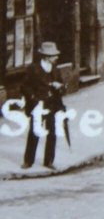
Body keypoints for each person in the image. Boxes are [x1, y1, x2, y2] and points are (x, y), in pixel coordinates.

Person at [21, 42, 66, 170]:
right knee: (35, 132)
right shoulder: (33, 69)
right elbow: (24, 86)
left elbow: (62, 85)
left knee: (52, 132)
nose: (56, 58)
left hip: (52, 104)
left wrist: (60, 87)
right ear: (46, 56)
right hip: (38, 105)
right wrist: (33, 98)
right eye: (54, 56)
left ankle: (49, 161)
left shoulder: (55, 69)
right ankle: (28, 161)